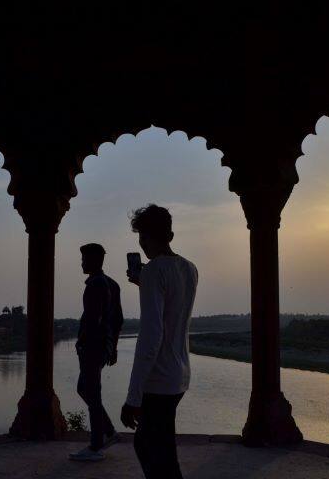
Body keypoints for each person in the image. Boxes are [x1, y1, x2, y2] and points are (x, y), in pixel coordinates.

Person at [121, 204, 198, 479]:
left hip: (160, 378)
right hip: (180, 374)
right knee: (163, 448)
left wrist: (133, 397)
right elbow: (173, 307)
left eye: (143, 238)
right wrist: (145, 283)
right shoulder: (189, 269)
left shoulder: (154, 271)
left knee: (149, 447)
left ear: (148, 237)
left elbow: (152, 336)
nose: (143, 245)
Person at [69, 242, 124, 462]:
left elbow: (93, 319)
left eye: (84, 259)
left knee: (90, 391)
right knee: (87, 389)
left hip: (93, 345)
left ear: (94, 260)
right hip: (104, 344)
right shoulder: (112, 284)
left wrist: (82, 341)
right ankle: (108, 432)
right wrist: (114, 346)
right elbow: (117, 320)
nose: (82, 263)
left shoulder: (95, 284)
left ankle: (96, 445)